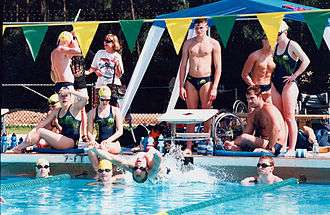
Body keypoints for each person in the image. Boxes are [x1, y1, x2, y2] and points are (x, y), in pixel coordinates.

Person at [179, 18, 222, 155]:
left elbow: (218, 67)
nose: (199, 30)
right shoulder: (188, 43)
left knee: (206, 112)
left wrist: (215, 86)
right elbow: (183, 65)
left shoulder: (213, 44)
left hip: (206, 80)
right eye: (197, 28)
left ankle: (205, 141)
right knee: (191, 113)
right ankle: (189, 146)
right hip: (191, 80)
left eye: (201, 28)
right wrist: (181, 86)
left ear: (207, 27)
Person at [272, 21, 310, 156]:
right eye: (274, 34)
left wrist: (294, 75)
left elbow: (306, 60)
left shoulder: (292, 45)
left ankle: (291, 148)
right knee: (280, 117)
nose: (276, 36)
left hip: (289, 84)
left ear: (285, 33)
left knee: (289, 117)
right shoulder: (274, 47)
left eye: (278, 34)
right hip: (276, 83)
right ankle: (282, 145)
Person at [10, 87, 88, 153]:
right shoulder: (57, 110)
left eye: (66, 95)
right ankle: (20, 147)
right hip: (61, 140)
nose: (64, 98)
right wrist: (32, 131)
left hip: (71, 142)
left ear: (70, 97)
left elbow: (85, 98)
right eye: (61, 96)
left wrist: (70, 90)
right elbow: (43, 123)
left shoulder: (74, 108)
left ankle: (18, 148)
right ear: (58, 98)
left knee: (40, 131)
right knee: (39, 136)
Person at [224, 86, 287, 156]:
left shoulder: (269, 109)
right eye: (247, 99)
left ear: (259, 97)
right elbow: (247, 133)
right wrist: (239, 143)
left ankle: (233, 144)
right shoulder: (252, 114)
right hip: (263, 142)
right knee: (244, 138)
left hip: (275, 144)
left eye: (252, 98)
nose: (249, 101)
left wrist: (270, 148)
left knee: (244, 138)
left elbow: (276, 129)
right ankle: (235, 146)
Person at [87, 86, 123, 174]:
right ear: (99, 98)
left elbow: (120, 131)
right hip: (99, 143)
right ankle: (99, 173)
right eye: (103, 99)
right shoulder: (92, 112)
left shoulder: (115, 111)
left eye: (107, 100)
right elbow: (89, 131)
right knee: (90, 150)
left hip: (113, 144)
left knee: (103, 147)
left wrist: (108, 141)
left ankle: (109, 172)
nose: (105, 102)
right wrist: (92, 141)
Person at [90, 145, 166, 184]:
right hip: (161, 174)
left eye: (135, 168)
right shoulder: (153, 167)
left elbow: (110, 158)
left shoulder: (130, 165)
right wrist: (151, 152)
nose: (138, 166)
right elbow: (159, 157)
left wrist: (94, 149)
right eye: (141, 168)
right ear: (146, 170)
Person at [86, 33, 124, 107]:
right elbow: (93, 68)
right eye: (105, 40)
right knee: (98, 107)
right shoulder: (99, 53)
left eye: (108, 41)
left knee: (114, 108)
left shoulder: (117, 56)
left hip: (113, 85)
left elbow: (119, 75)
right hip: (100, 84)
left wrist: (117, 64)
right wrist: (92, 71)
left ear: (114, 43)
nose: (105, 42)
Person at [241, 34, 275, 103]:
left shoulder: (275, 56)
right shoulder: (254, 55)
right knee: (254, 112)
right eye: (268, 40)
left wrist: (273, 89)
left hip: (268, 90)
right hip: (256, 88)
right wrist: (254, 87)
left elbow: (279, 74)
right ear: (263, 41)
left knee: (270, 111)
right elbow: (244, 74)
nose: (271, 43)